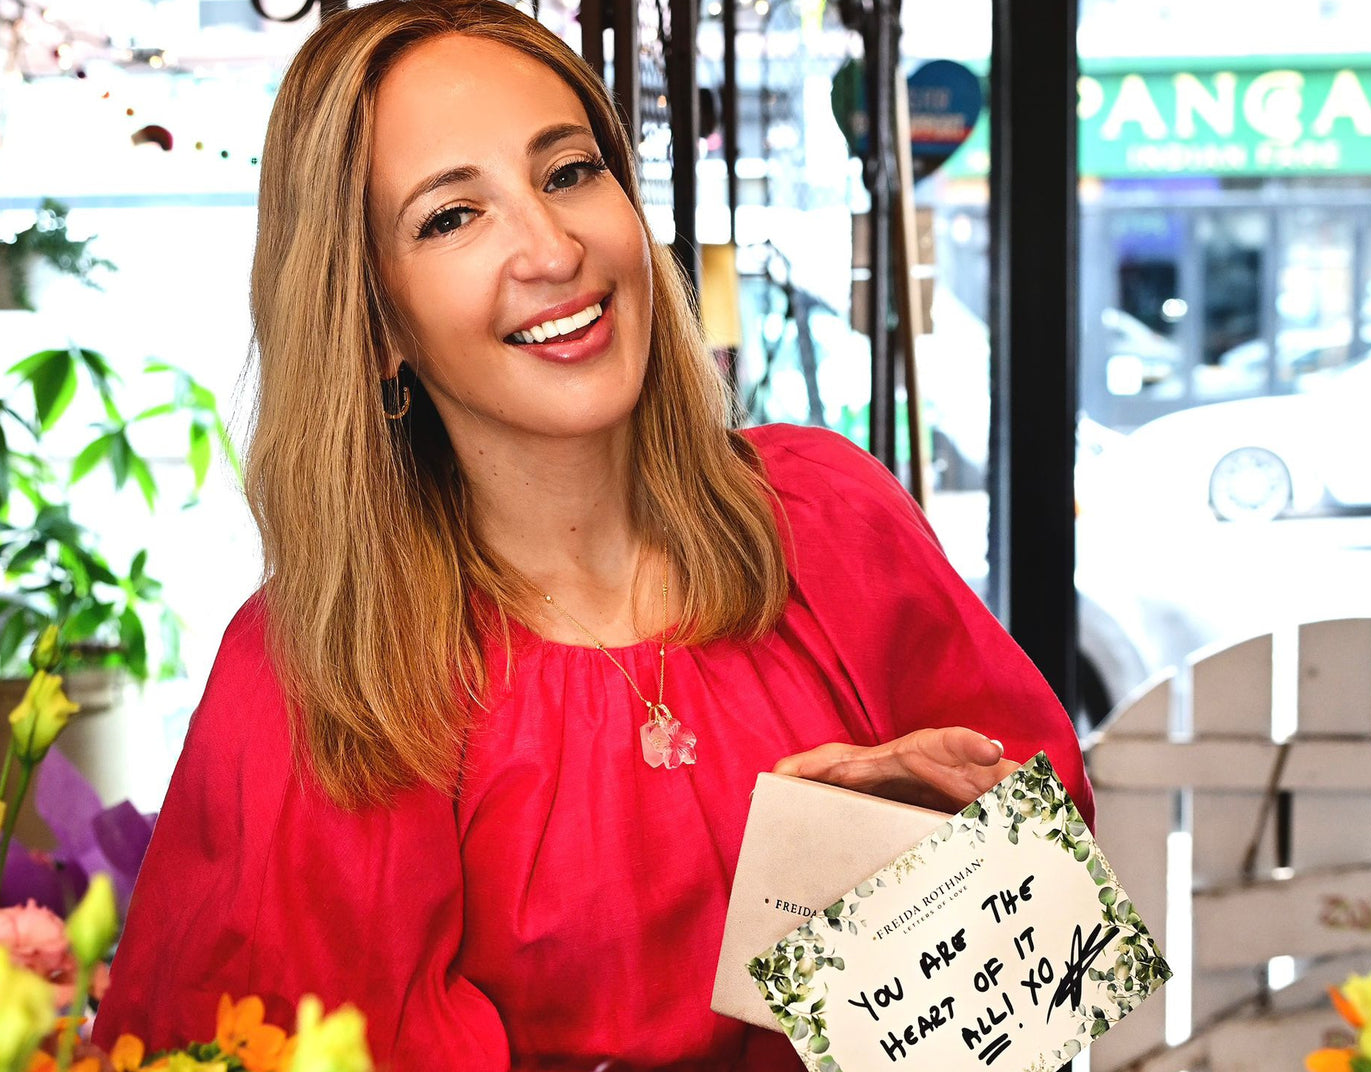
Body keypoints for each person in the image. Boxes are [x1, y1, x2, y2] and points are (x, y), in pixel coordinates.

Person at [94, 3, 1094, 1069]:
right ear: (374, 321)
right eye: (452, 217)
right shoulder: (323, 675)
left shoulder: (833, 520)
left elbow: (1045, 982)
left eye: (568, 171)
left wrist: (926, 870)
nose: (553, 247)